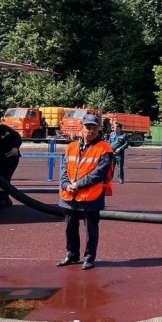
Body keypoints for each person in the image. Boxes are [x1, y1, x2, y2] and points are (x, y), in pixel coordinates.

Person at [57, 113, 114, 270]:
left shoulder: (104, 149)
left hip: (91, 196)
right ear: (81, 128)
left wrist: (77, 185)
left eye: (94, 128)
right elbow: (63, 169)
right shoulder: (70, 147)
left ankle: (89, 257)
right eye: (88, 127)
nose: (90, 131)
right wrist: (65, 184)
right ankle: (72, 255)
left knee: (91, 229)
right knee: (70, 228)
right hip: (69, 195)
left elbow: (99, 174)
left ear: (99, 129)